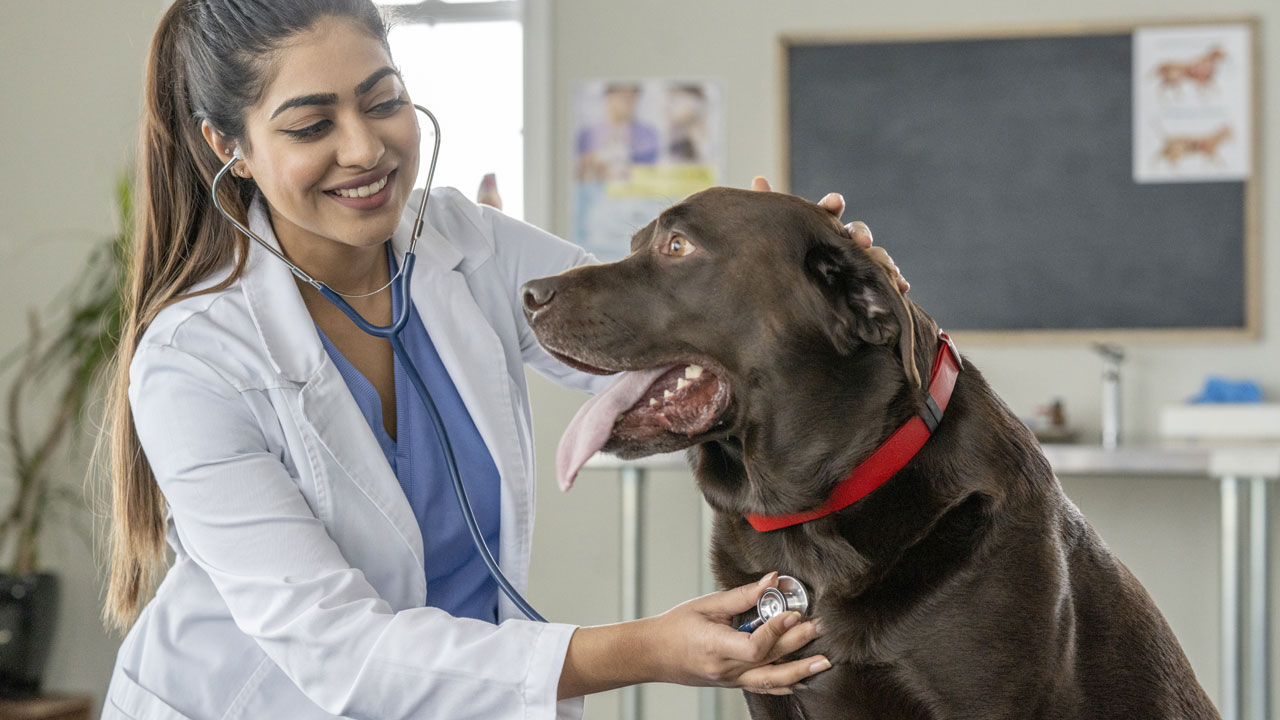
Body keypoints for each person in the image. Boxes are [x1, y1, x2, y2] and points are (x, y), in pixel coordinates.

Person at [98, 2, 906, 718]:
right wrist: (649, 650)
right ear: (228, 145)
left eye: (384, 101)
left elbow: (646, 336)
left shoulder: (463, 243)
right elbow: (338, 651)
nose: (365, 148)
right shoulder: (193, 362)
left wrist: (777, 285)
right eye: (311, 126)